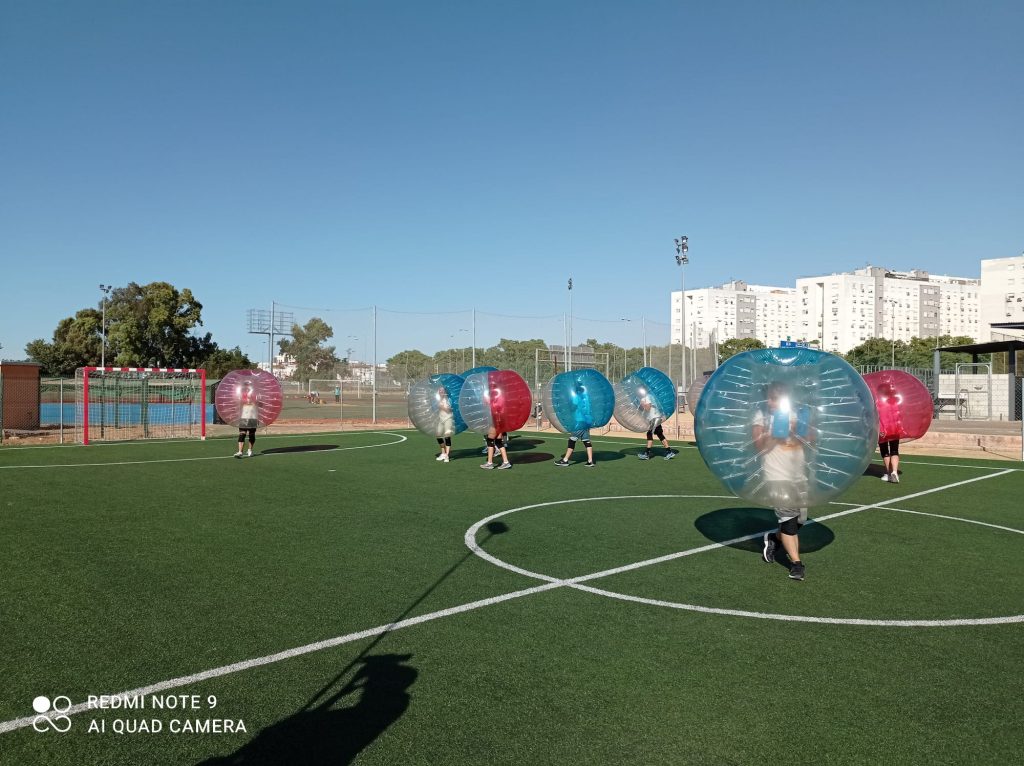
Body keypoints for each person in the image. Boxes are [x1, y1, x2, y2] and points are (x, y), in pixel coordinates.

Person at [753, 381, 814, 580]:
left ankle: (773, 538)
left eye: (774, 398)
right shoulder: (761, 416)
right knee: (788, 521)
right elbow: (758, 447)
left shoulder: (797, 414)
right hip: (776, 475)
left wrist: (797, 429)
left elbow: (812, 439)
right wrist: (773, 435)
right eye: (768, 397)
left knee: (799, 522)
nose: (769, 402)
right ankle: (796, 563)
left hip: (798, 475)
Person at [637, 389, 677, 461]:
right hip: (654, 418)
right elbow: (643, 409)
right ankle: (669, 451)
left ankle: (647, 454)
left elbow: (648, 408)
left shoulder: (647, 397)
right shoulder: (648, 397)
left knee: (649, 434)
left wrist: (642, 403)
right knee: (660, 435)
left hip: (654, 418)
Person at [235, 380, 259, 458]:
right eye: (246, 385)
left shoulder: (256, 395)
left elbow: (259, 405)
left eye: (249, 385)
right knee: (242, 434)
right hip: (244, 416)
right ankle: (240, 452)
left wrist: (258, 417)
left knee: (252, 435)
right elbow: (239, 405)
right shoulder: (241, 395)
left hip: (253, 417)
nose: (247, 386)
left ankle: (250, 450)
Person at [435, 386, 454, 463]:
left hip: (448, 418)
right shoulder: (437, 399)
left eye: (442, 391)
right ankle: (443, 453)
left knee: (447, 435)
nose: (441, 392)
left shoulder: (448, 399)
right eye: (439, 390)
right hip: (441, 419)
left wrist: (443, 407)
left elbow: (450, 409)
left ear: (445, 392)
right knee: (438, 434)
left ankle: (447, 455)